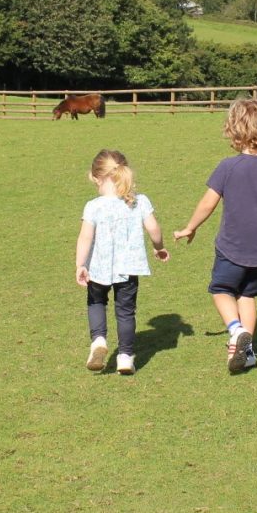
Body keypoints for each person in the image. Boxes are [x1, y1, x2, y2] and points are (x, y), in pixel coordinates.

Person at [174, 98, 257, 373]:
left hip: (232, 247)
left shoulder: (227, 167)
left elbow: (208, 203)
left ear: (233, 130)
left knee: (220, 290)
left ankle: (236, 330)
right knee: (247, 296)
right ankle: (248, 352)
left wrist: (190, 227)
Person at [75, 149, 170, 375]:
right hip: (128, 269)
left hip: (98, 268)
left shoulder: (93, 206)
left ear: (96, 177)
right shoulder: (139, 201)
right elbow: (154, 229)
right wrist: (159, 248)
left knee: (96, 302)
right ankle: (125, 357)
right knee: (126, 312)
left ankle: (98, 341)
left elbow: (85, 237)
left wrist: (80, 264)